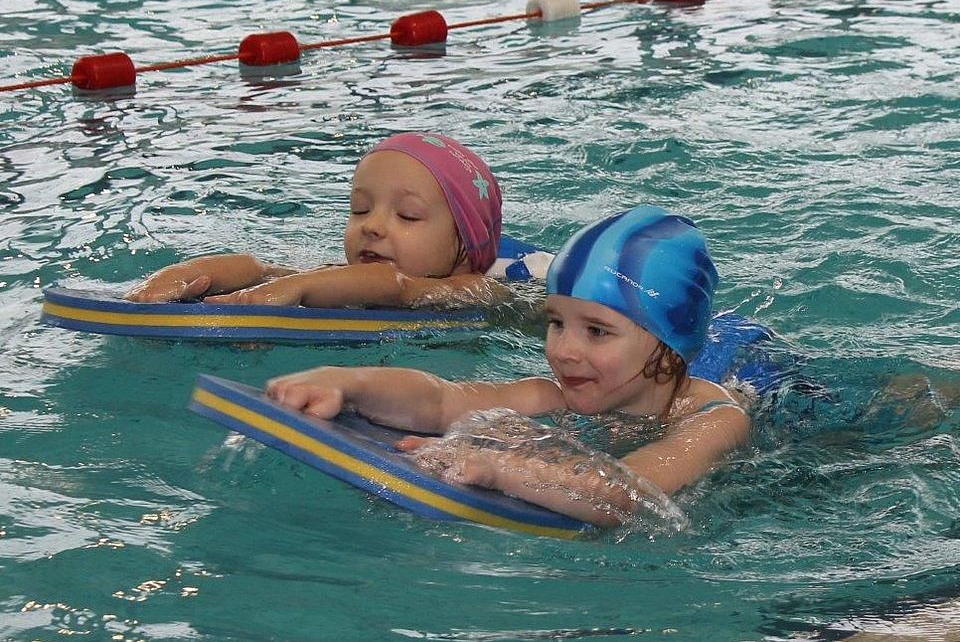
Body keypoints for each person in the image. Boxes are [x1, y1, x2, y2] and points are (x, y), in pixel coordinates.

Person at [265, 205, 751, 528]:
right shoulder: (560, 393)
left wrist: (502, 469)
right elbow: (440, 399)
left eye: (596, 331)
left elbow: (631, 494)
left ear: (668, 348)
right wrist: (349, 383)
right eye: (557, 323)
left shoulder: (715, 420)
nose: (563, 350)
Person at [125, 132, 505, 308]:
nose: (371, 226)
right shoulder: (343, 275)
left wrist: (300, 288)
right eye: (359, 209)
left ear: (465, 245)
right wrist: (194, 271)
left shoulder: (478, 290)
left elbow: (399, 288)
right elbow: (268, 271)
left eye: (407, 215)